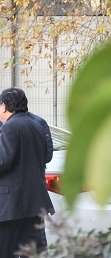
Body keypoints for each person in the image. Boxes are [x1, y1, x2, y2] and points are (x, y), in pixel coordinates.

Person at [0, 87, 55, 257]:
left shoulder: (10, 127)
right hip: (34, 204)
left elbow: (3, 160)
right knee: (34, 253)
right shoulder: (37, 125)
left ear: (4, 106)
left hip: (11, 206)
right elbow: (45, 156)